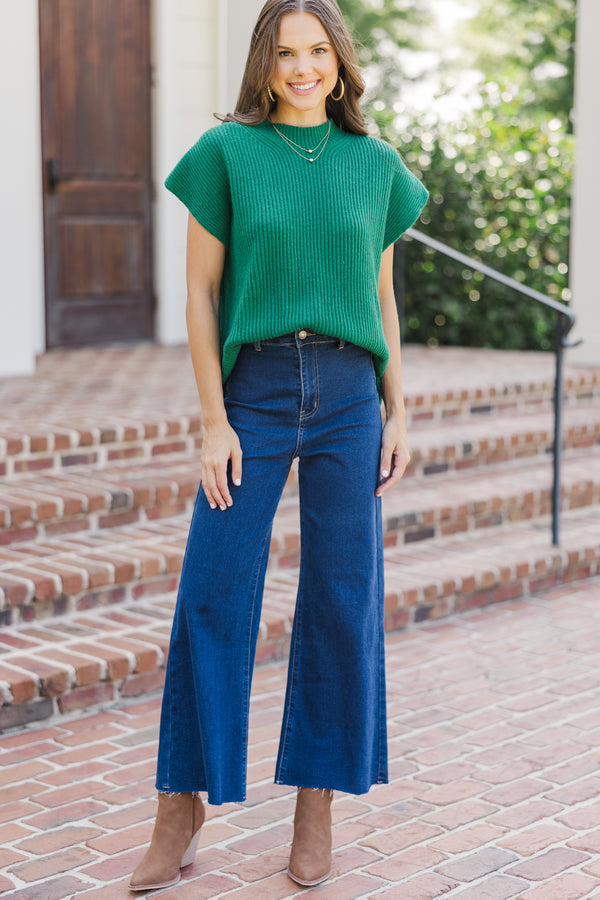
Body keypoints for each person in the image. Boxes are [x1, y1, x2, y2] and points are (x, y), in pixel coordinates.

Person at [129, 0, 428, 891]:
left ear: (340, 62)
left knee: (341, 598)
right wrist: (214, 418)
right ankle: (180, 806)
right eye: (286, 53)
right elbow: (198, 295)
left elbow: (381, 298)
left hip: (347, 398)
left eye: (318, 52)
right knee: (213, 592)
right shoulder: (226, 155)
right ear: (264, 63)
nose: (303, 68)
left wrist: (399, 409)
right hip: (253, 392)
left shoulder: (375, 166)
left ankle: (316, 805)